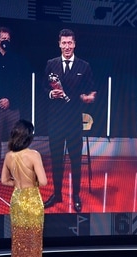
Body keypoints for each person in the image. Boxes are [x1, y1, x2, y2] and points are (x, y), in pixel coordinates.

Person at [43, 28, 97, 212]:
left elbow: (92, 90)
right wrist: (51, 93)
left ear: (74, 44)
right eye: (63, 43)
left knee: (75, 161)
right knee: (56, 161)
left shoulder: (84, 66)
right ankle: (57, 194)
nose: (67, 46)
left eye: (70, 42)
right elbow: (43, 88)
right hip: (56, 122)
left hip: (74, 121)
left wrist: (90, 97)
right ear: (59, 44)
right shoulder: (51, 64)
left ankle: (75, 195)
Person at [1, 120, 47, 257]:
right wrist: (31, 183)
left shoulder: (9, 156)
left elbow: (4, 180)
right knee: (32, 243)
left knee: (18, 241)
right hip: (32, 201)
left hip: (17, 199)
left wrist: (18, 184)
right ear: (29, 136)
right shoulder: (34, 155)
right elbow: (43, 181)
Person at [0, 26, 30, 187]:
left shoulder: (16, 59)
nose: (5, 41)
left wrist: (9, 100)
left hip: (13, 107)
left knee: (15, 141)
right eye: (3, 38)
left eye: (8, 39)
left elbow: (20, 84)